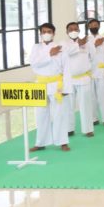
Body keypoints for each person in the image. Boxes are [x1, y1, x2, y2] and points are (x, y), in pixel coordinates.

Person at [29, 23, 71, 152]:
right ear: (40, 33)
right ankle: (41, 142)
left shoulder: (61, 48)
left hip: (57, 84)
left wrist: (66, 88)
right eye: (44, 31)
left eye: (49, 31)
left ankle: (62, 141)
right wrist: (49, 54)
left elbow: (67, 68)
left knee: (59, 114)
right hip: (40, 84)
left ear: (53, 33)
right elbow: (33, 63)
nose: (46, 34)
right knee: (40, 114)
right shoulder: (36, 48)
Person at [62, 22, 96, 137]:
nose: (73, 31)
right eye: (70, 29)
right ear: (67, 32)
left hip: (83, 78)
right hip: (69, 79)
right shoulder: (63, 44)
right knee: (68, 105)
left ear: (79, 31)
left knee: (85, 105)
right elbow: (65, 54)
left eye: (75, 29)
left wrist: (89, 69)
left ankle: (88, 129)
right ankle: (69, 128)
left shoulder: (88, 43)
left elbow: (93, 57)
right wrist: (78, 44)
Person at [86, 19, 104, 127]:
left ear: (99, 26)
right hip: (89, 72)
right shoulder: (86, 40)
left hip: (102, 71)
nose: (93, 26)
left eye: (95, 25)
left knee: (103, 95)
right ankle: (93, 118)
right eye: (91, 25)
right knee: (91, 96)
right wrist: (94, 45)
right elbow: (84, 55)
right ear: (88, 27)